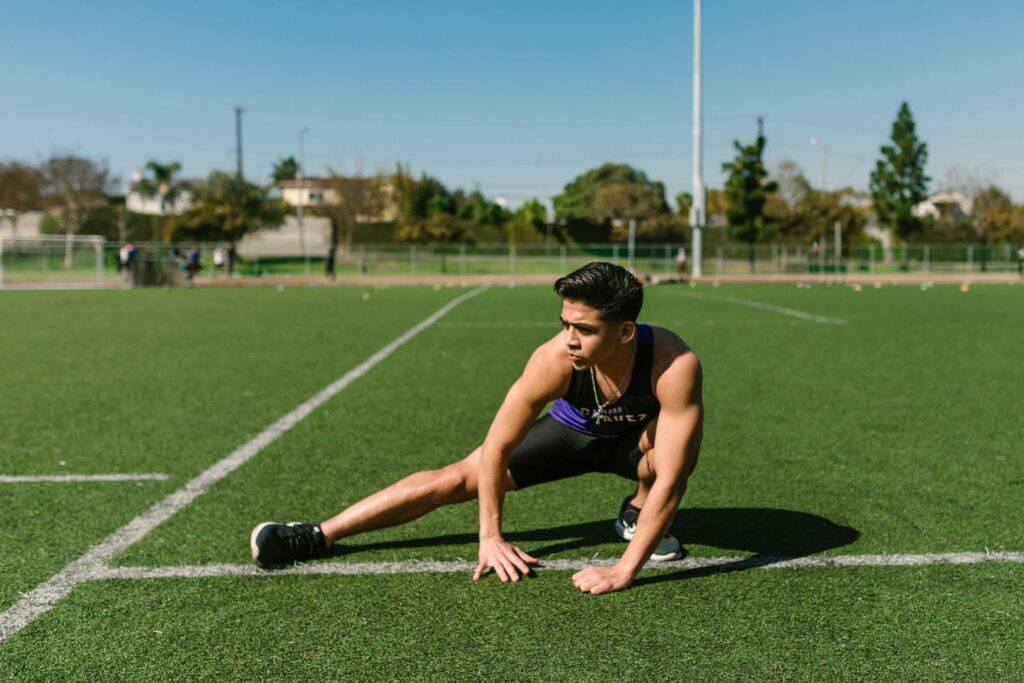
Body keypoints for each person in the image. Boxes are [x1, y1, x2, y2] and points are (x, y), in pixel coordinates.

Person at [250, 262, 704, 595]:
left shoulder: (674, 364)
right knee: (456, 477)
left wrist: (624, 571)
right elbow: (496, 448)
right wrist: (491, 536)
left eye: (583, 329)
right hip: (572, 433)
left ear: (625, 332)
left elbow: (674, 477)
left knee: (665, 455)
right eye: (564, 323)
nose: (569, 338)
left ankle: (635, 514)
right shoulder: (553, 360)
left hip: (636, 447)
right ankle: (317, 534)